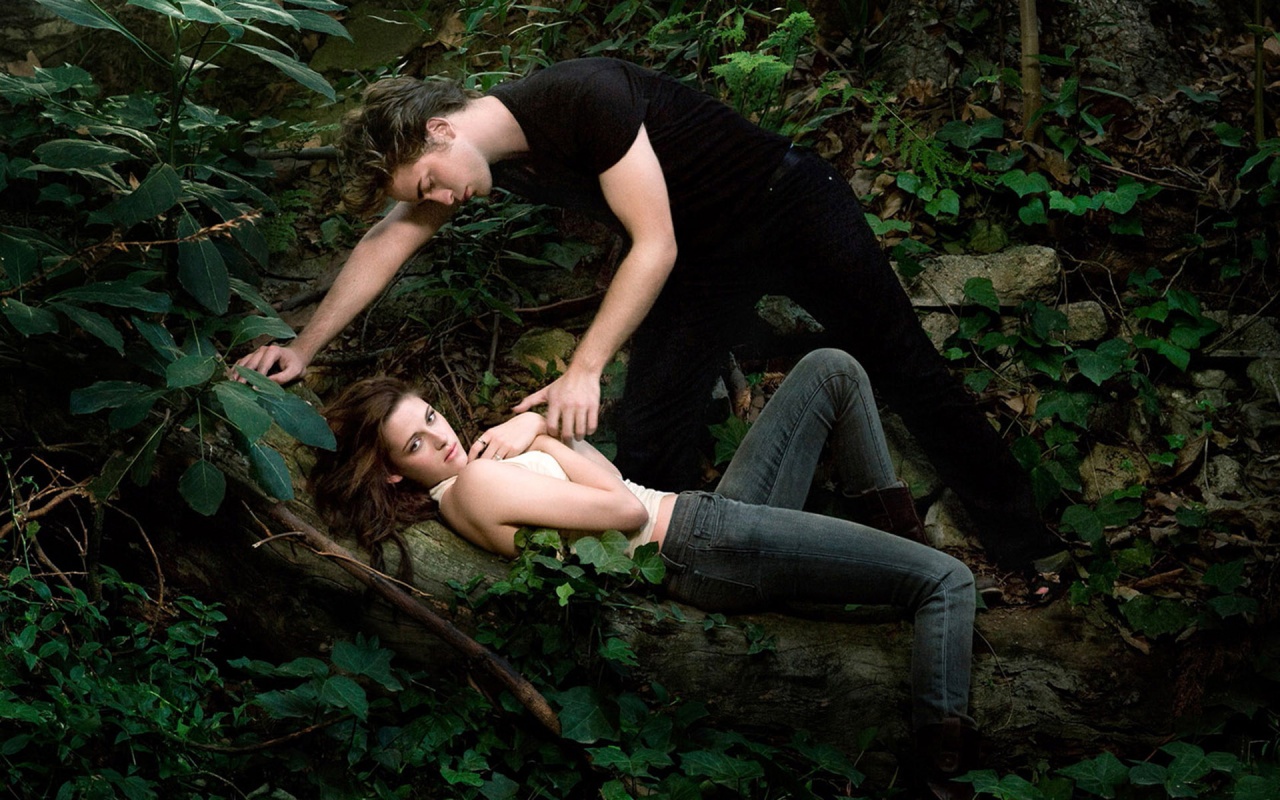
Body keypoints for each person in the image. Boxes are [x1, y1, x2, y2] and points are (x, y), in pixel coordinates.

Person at [239, 56, 1059, 581]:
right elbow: (387, 241)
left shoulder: (582, 95)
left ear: (441, 128)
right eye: (428, 196)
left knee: (906, 369)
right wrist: (303, 348)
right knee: (650, 436)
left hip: (790, 209)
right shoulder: (485, 159)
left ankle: (1028, 548)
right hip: (706, 261)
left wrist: (584, 366)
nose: (442, 203)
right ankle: (698, 587)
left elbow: (652, 243)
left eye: (430, 183)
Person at [311, 348, 981, 797]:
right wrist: (539, 432)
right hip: (702, 546)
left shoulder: (476, 472)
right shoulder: (476, 485)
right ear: (393, 472)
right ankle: (941, 777)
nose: (441, 437)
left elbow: (612, 479)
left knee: (830, 370)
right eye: (417, 443)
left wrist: (539, 431)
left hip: (704, 520)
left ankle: (899, 548)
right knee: (948, 583)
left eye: (431, 417)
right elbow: (626, 509)